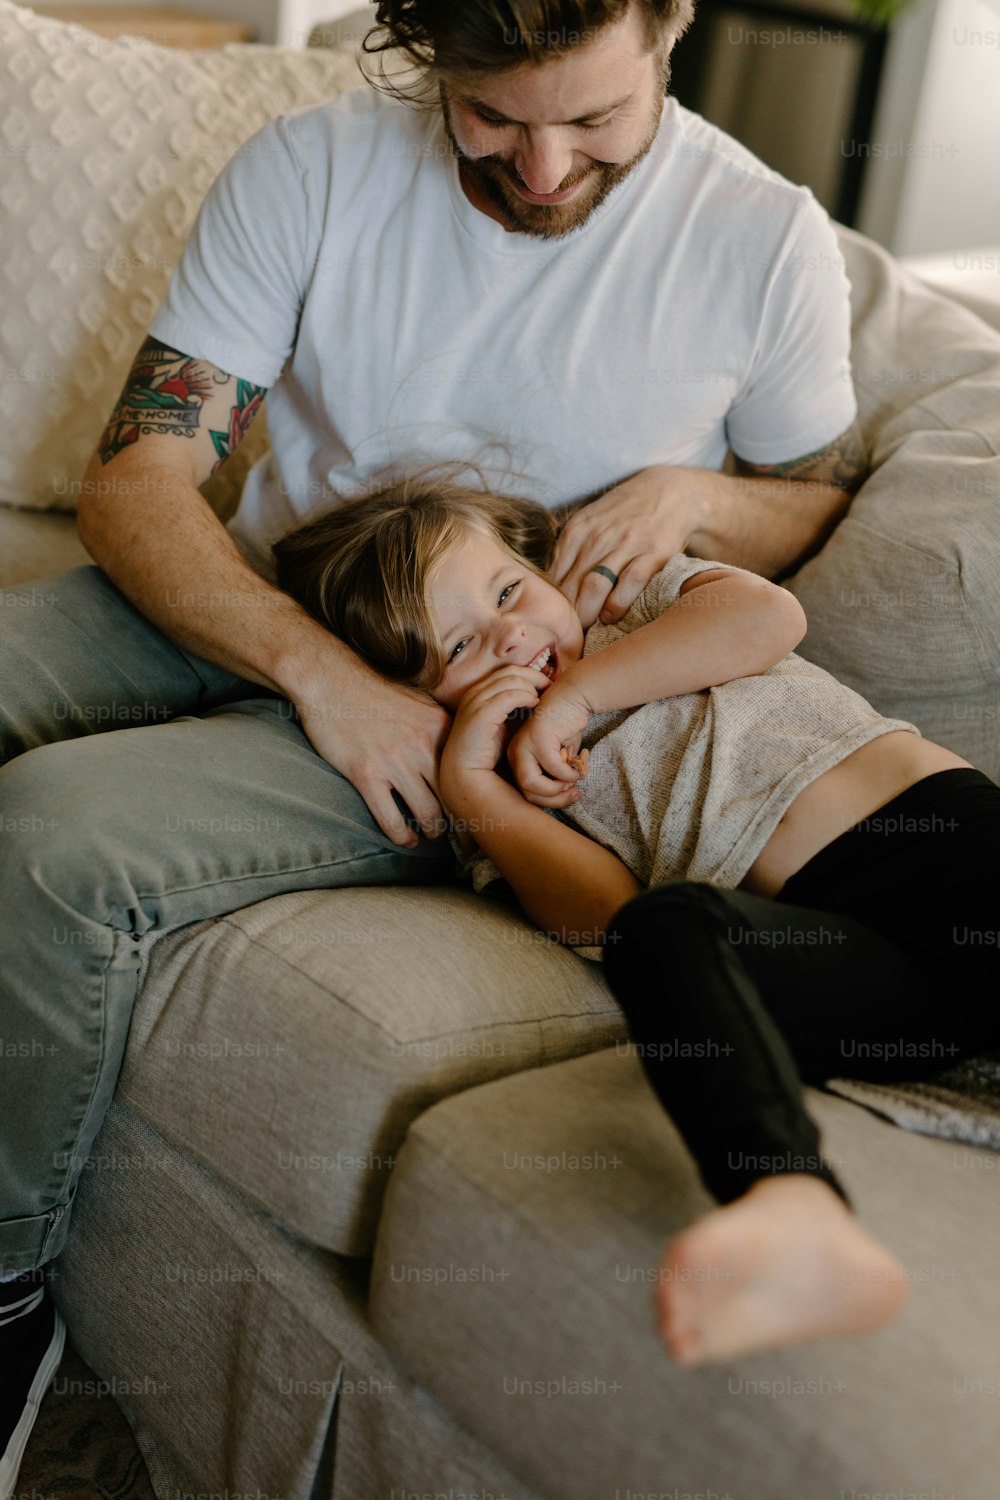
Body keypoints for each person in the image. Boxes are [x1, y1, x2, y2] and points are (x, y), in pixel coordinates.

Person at [0, 0, 886, 1485]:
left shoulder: (761, 237)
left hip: (496, 703)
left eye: (593, 121)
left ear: (671, 23)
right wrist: (313, 670)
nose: (542, 170)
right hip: (275, 602)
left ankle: (5, 1300)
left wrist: (699, 497)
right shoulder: (313, 169)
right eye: (492, 117)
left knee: (58, 840)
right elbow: (140, 478)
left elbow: (818, 500)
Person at [270, 468, 1000, 1366]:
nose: (513, 635)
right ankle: (795, 1211)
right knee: (665, 932)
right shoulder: (502, 794)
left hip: (951, 858)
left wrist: (581, 697)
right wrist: (470, 787)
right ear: (424, 702)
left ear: (540, 566)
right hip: (871, 972)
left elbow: (772, 620)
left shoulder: (638, 606)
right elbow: (609, 922)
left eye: (509, 591)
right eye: (462, 646)